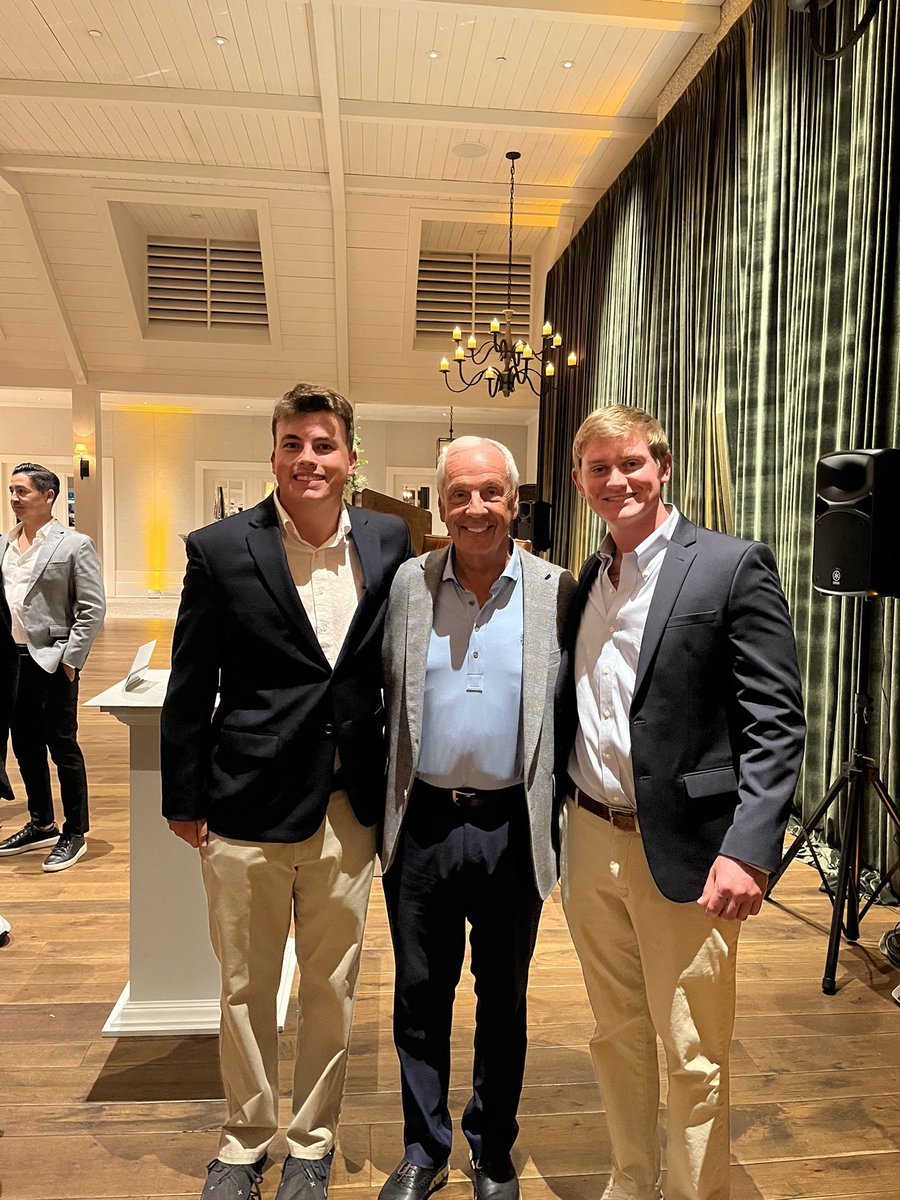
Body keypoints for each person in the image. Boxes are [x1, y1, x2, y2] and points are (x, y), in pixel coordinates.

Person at [161, 384, 412, 1200]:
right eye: (293, 443)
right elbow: (192, 683)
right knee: (244, 984)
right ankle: (243, 1139)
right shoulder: (220, 547)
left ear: (349, 457)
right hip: (246, 803)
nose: (309, 459)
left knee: (332, 985)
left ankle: (311, 1138)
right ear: (273, 451)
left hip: (350, 808)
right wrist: (183, 795)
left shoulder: (389, 539)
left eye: (325, 444)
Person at [560, 405, 806, 1200]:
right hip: (590, 840)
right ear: (579, 482)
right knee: (614, 1033)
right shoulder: (582, 583)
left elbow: (777, 720)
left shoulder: (730, 566)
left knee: (693, 1049)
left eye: (630, 463)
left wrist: (750, 847)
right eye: (598, 468)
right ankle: (632, 1180)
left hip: (694, 848)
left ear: (663, 468)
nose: (616, 480)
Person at [379, 437, 575, 1200]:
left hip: (510, 827)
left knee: (505, 996)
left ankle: (492, 1149)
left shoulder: (555, 591)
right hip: (422, 823)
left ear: (514, 502)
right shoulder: (405, 586)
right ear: (439, 504)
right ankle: (422, 1148)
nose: (474, 508)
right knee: (419, 994)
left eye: (490, 492)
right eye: (459, 494)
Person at [0, 463, 106, 871]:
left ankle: (74, 831)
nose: (14, 498)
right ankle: (41, 822)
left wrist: (70, 661)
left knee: (62, 746)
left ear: (48, 497)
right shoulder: (5, 545)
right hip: (11, 660)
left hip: (51, 661)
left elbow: (92, 608)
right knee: (24, 745)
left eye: (22, 491)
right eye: (11, 490)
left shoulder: (74, 544)